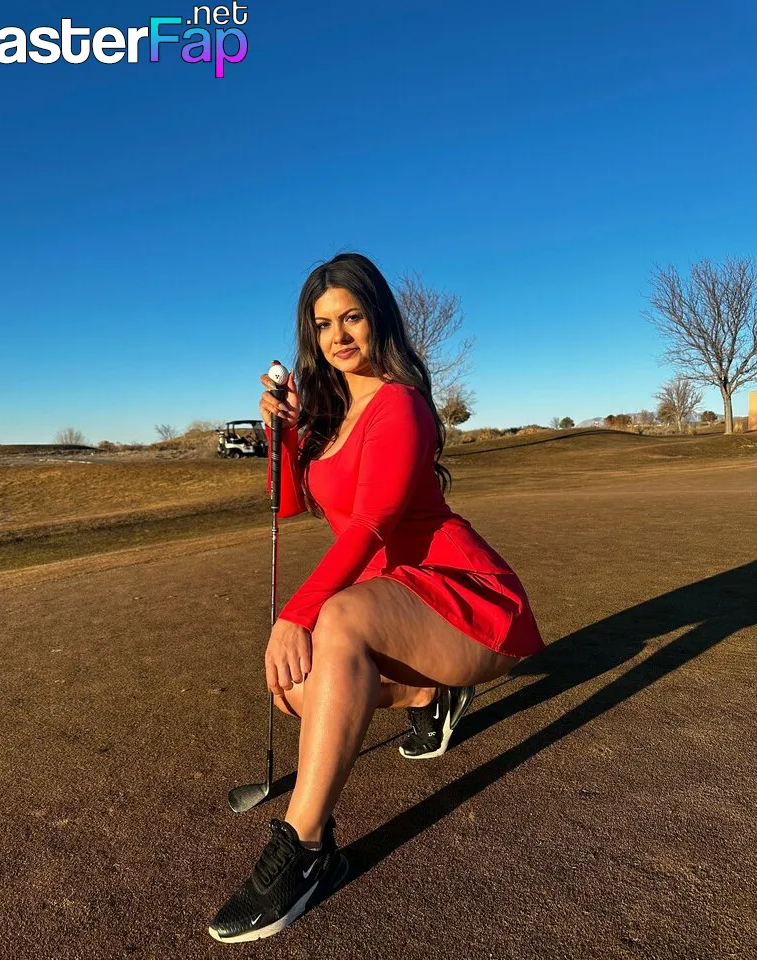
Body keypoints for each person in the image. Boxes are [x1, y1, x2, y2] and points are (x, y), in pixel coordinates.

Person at [209, 253, 544, 943]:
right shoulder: (332, 414)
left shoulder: (401, 404)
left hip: (464, 594)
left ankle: (305, 849)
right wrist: (284, 432)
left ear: (379, 319)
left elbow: (371, 526)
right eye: (322, 324)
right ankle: (430, 694)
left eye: (352, 317)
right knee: (294, 689)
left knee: (334, 618)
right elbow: (291, 503)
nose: (338, 335)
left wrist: (295, 613)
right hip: (394, 604)